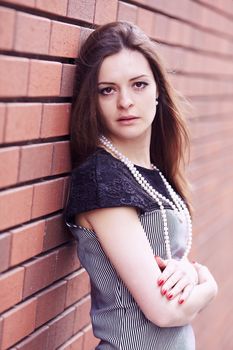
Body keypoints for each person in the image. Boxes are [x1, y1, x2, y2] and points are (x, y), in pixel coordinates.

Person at [65, 21, 218, 350]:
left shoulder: (154, 173)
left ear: (158, 89)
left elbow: (168, 269)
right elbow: (163, 311)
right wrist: (207, 284)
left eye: (138, 85)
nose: (125, 102)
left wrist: (188, 273)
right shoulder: (101, 179)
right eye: (107, 89)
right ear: (92, 100)